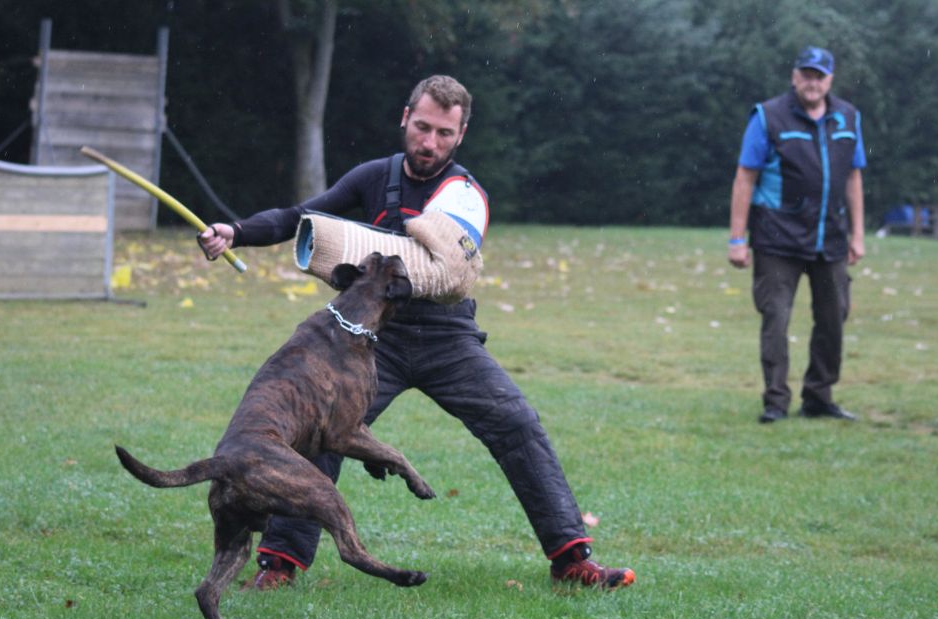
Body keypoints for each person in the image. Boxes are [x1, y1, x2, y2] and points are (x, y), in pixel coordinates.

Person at [199, 75, 635, 590]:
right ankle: (280, 563)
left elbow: (447, 270)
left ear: (461, 134)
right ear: (406, 117)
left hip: (448, 340)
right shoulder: (373, 178)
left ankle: (571, 559)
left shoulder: (465, 197)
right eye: (423, 127)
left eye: (444, 134)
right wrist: (238, 231)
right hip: (371, 343)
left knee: (517, 424)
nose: (430, 143)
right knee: (321, 434)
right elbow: (302, 217)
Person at [727, 47, 866, 424]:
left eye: (819, 75)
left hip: (831, 238)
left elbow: (854, 176)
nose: (812, 82)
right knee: (776, 319)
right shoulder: (768, 116)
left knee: (834, 317)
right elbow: (745, 176)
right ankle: (776, 401)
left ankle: (819, 398)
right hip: (777, 238)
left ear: (830, 80)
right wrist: (737, 238)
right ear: (794, 76)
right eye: (806, 74)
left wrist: (858, 234)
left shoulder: (848, 118)